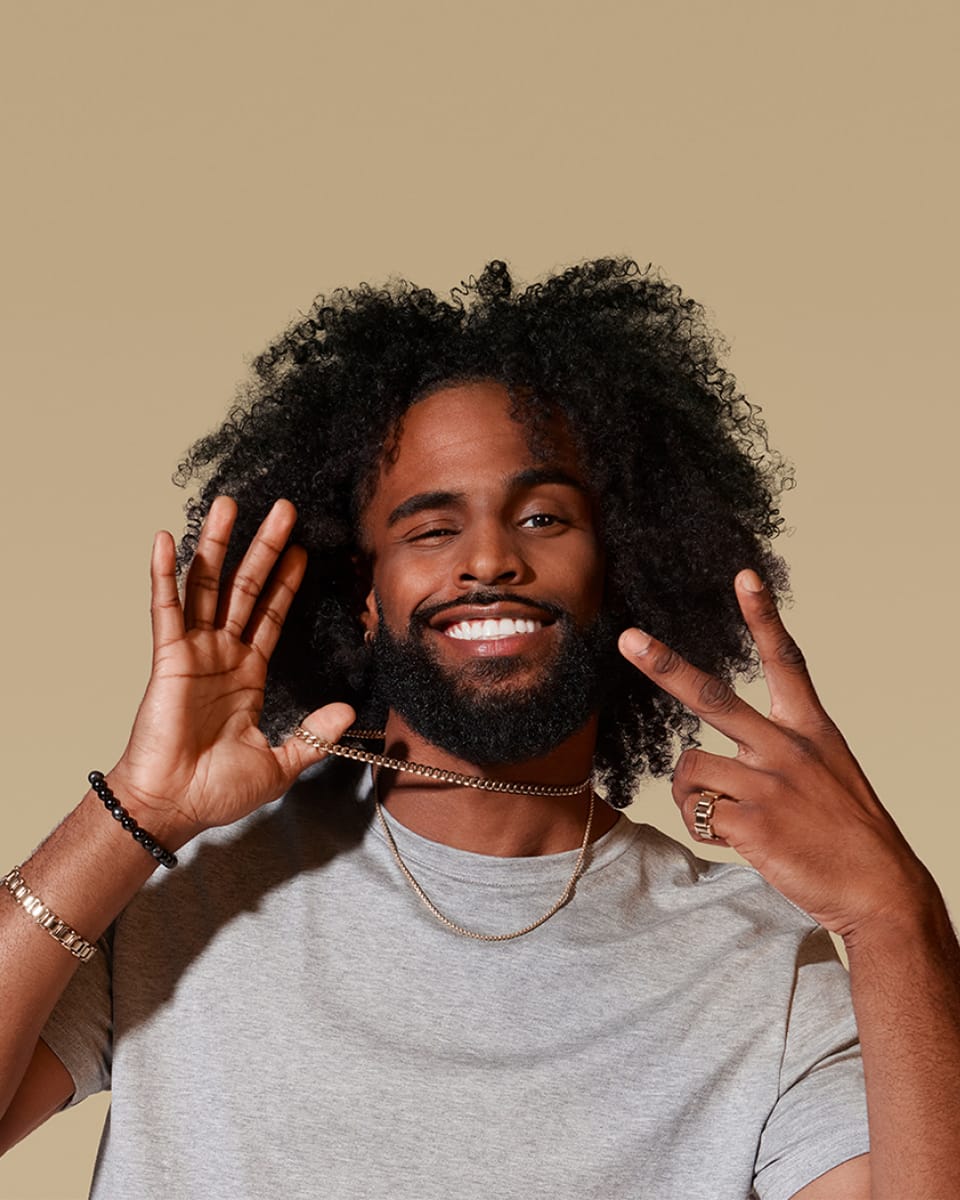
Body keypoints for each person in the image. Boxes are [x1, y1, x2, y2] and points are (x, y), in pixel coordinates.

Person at [1, 259, 957, 1199]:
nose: (490, 558)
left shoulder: (755, 967)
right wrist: (134, 809)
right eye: (428, 529)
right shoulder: (184, 887)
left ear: (619, 570)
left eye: (544, 517)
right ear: (363, 596)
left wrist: (894, 917)